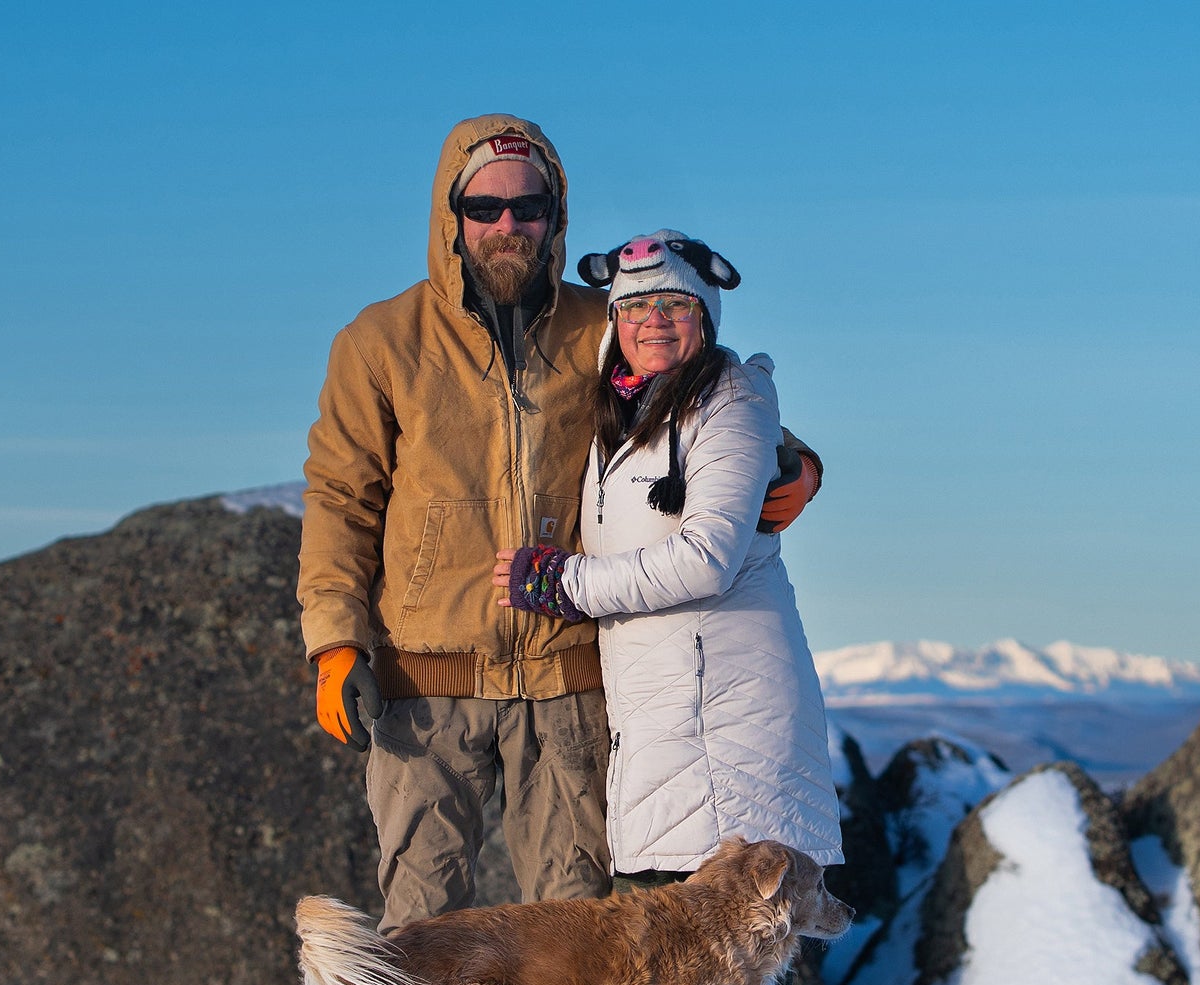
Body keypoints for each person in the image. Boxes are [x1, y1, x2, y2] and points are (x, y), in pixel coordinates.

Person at [296, 116, 823, 931]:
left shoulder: (601, 324)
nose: (508, 225)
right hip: (427, 684)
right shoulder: (381, 342)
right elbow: (341, 497)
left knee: (573, 948)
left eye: (528, 206)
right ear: (451, 214)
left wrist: (796, 462)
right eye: (485, 207)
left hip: (570, 680)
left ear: (555, 214)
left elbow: (698, 393)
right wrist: (336, 642)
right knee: (419, 940)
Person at [494, 229, 843, 890]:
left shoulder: (730, 403)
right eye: (634, 306)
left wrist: (562, 580)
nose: (653, 321)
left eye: (676, 306)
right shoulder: (625, 406)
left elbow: (707, 558)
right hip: (673, 733)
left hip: (727, 747)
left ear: (705, 318)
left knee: (733, 981)